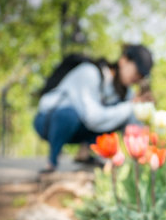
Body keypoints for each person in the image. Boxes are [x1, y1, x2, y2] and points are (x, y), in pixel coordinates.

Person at [34, 43, 154, 172]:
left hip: (80, 127)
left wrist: (143, 113)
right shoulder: (90, 72)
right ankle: (51, 162)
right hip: (49, 120)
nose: (138, 78)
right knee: (69, 116)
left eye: (142, 76)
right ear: (123, 60)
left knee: (116, 116)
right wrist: (131, 106)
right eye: (137, 71)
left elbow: (130, 123)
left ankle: (87, 154)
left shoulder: (126, 92)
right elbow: (93, 118)